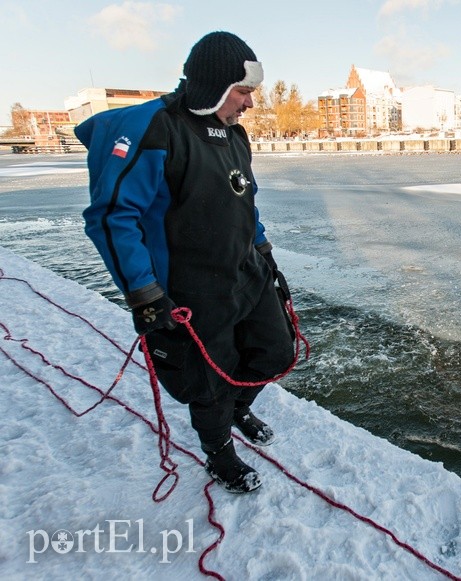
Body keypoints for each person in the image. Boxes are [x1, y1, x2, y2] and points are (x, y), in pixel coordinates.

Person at [76, 31, 296, 493]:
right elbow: (114, 217)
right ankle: (219, 452)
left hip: (244, 272)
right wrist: (143, 291)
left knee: (276, 351)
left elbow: (242, 198)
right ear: (215, 85)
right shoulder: (157, 129)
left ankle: (237, 409)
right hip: (189, 286)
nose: (250, 104)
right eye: (244, 91)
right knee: (207, 379)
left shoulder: (234, 136)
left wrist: (263, 250)